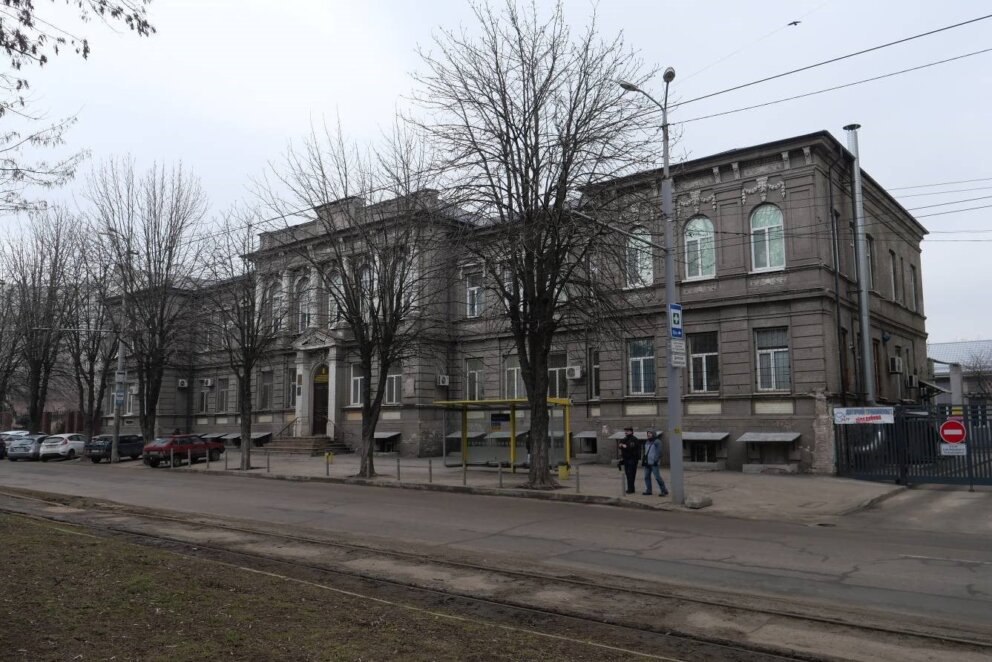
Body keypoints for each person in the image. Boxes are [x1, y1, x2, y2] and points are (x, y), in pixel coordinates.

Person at [642, 429, 669, 496]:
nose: (648, 434)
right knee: (646, 477)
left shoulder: (657, 442)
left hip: (654, 463)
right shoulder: (647, 441)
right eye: (648, 433)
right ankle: (649, 490)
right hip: (647, 463)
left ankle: (664, 490)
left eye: (650, 433)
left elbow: (659, 452)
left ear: (653, 434)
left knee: (657, 477)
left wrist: (656, 460)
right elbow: (645, 452)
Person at [617, 427, 641, 494]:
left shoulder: (634, 439)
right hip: (626, 459)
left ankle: (631, 489)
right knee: (628, 474)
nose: (626, 432)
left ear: (631, 432)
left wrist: (624, 446)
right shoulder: (625, 438)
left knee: (631, 474)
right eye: (625, 431)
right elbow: (620, 445)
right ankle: (631, 488)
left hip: (632, 459)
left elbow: (630, 448)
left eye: (627, 431)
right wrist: (623, 445)